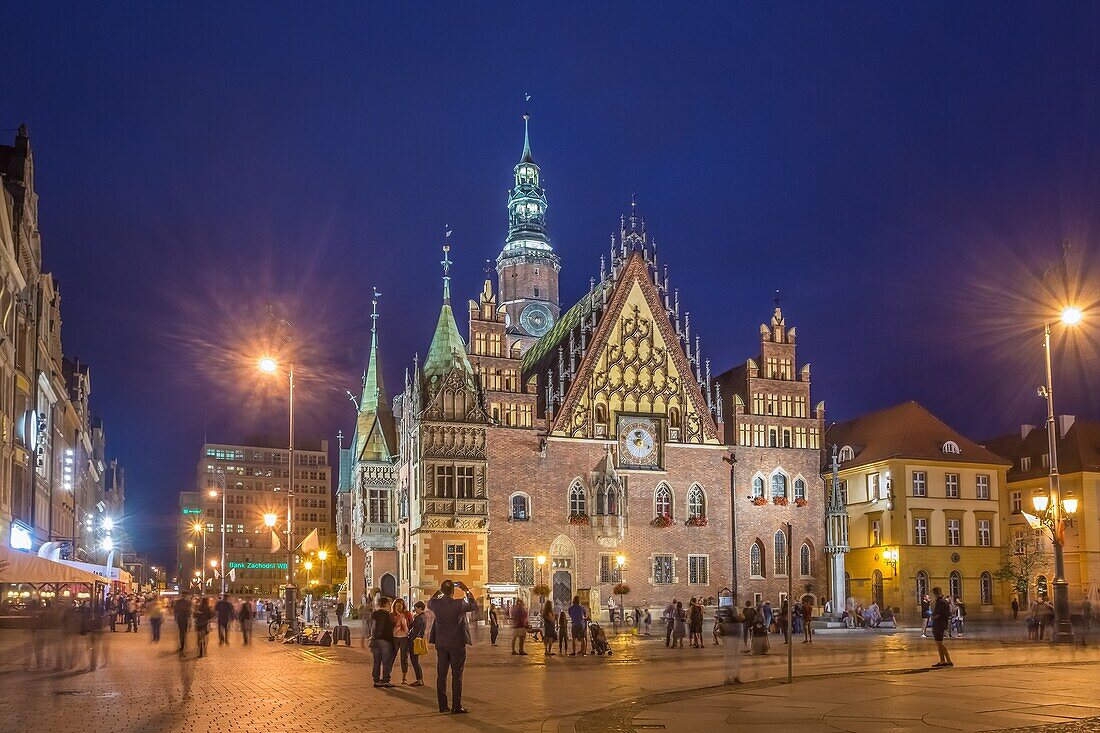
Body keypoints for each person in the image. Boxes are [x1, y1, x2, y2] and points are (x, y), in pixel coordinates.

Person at [428, 579, 477, 714]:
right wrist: (466, 589)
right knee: (457, 675)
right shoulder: (459, 604)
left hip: (441, 644)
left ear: (442, 591)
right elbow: (473, 604)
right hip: (457, 644)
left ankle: (442, 706)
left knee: (441, 675)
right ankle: (456, 705)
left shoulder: (436, 604)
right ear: (453, 591)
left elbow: (429, 602)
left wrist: (440, 591)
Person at [370, 597, 396, 688]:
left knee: (377, 661)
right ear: (386, 604)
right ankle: (385, 680)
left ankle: (376, 680)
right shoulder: (388, 615)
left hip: (375, 640)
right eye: (389, 604)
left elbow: (372, 627)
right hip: (385, 640)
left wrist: (372, 637)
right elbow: (390, 628)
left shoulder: (374, 614)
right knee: (386, 661)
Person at [930, 587, 953, 668]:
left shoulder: (940, 602)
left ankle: (946, 660)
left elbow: (937, 614)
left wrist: (932, 616)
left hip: (939, 624)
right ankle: (944, 660)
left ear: (935, 594)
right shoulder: (944, 601)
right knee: (939, 643)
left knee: (939, 643)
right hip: (942, 623)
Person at [391, 598, 413, 684]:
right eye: (396, 606)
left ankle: (404, 678)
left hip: (404, 638)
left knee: (404, 658)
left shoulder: (407, 614)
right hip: (395, 638)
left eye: (400, 606)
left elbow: (411, 624)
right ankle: (387, 676)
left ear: (403, 606)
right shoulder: (392, 615)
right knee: (391, 657)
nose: (398, 607)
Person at [406, 601, 427, 686]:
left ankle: (419, 679)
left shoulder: (418, 618)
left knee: (415, 661)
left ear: (420, 608)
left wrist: (410, 640)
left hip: (415, 641)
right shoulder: (424, 617)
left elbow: (415, 631)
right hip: (419, 640)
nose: (415, 610)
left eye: (416, 608)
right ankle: (420, 679)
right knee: (416, 661)